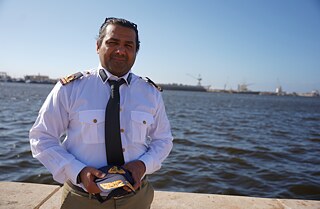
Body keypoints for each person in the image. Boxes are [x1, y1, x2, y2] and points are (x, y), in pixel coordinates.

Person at [29, 17, 173, 209]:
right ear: (98, 46)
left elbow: (163, 140)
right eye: (112, 43)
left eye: (128, 45)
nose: (121, 51)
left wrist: (143, 165)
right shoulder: (71, 88)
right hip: (81, 200)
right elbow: (42, 137)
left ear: (136, 51)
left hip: (136, 198)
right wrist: (78, 171)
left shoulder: (150, 93)